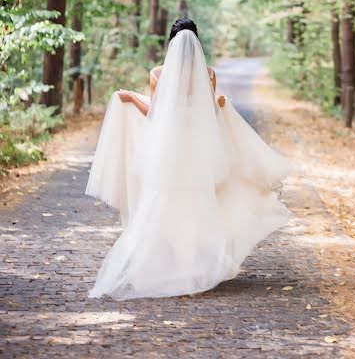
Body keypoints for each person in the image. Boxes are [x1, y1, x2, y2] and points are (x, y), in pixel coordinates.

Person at [86, 18, 290, 300]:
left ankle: (157, 266)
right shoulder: (208, 74)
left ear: (170, 43)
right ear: (197, 44)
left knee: (163, 204)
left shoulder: (158, 74)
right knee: (197, 204)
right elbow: (210, 114)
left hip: (168, 153)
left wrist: (132, 100)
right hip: (198, 153)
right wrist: (221, 105)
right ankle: (196, 266)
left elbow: (156, 114)